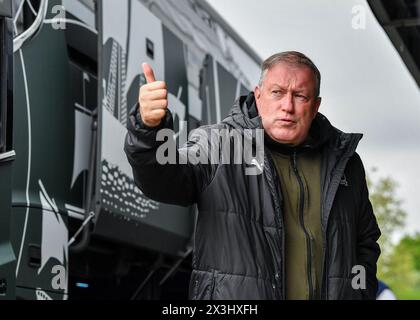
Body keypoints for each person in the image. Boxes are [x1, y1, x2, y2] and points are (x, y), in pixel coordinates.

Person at [124, 51, 381, 300]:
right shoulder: (218, 144)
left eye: (300, 95)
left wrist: (359, 292)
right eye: (277, 92)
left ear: (315, 106)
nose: (287, 106)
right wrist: (148, 128)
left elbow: (365, 241)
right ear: (258, 96)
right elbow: (162, 181)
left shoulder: (345, 163)